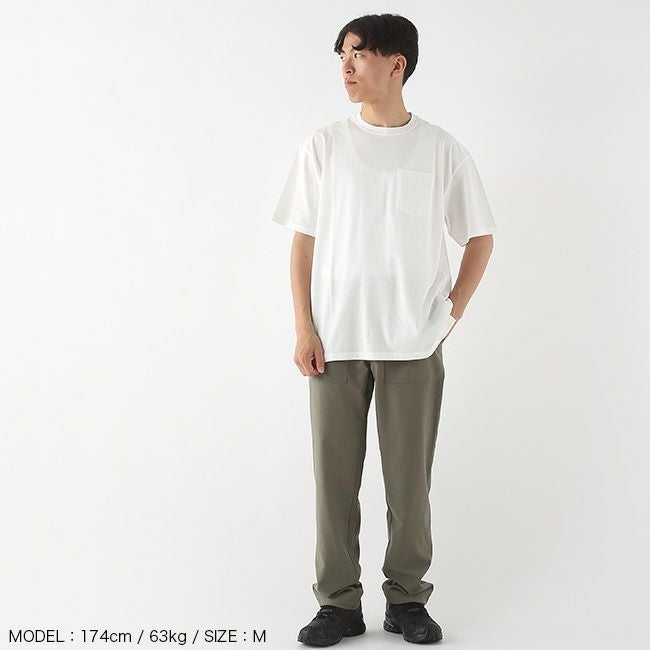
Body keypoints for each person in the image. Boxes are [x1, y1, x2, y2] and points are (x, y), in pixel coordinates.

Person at [271, 13, 497, 647]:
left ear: (397, 64)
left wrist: (449, 313)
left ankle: (407, 599)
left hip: (413, 343)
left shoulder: (441, 149)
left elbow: (479, 236)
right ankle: (338, 604)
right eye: (341, 55)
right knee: (333, 483)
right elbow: (302, 244)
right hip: (335, 339)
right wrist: (304, 327)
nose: (346, 67)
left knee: (409, 484)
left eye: (359, 54)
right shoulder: (324, 146)